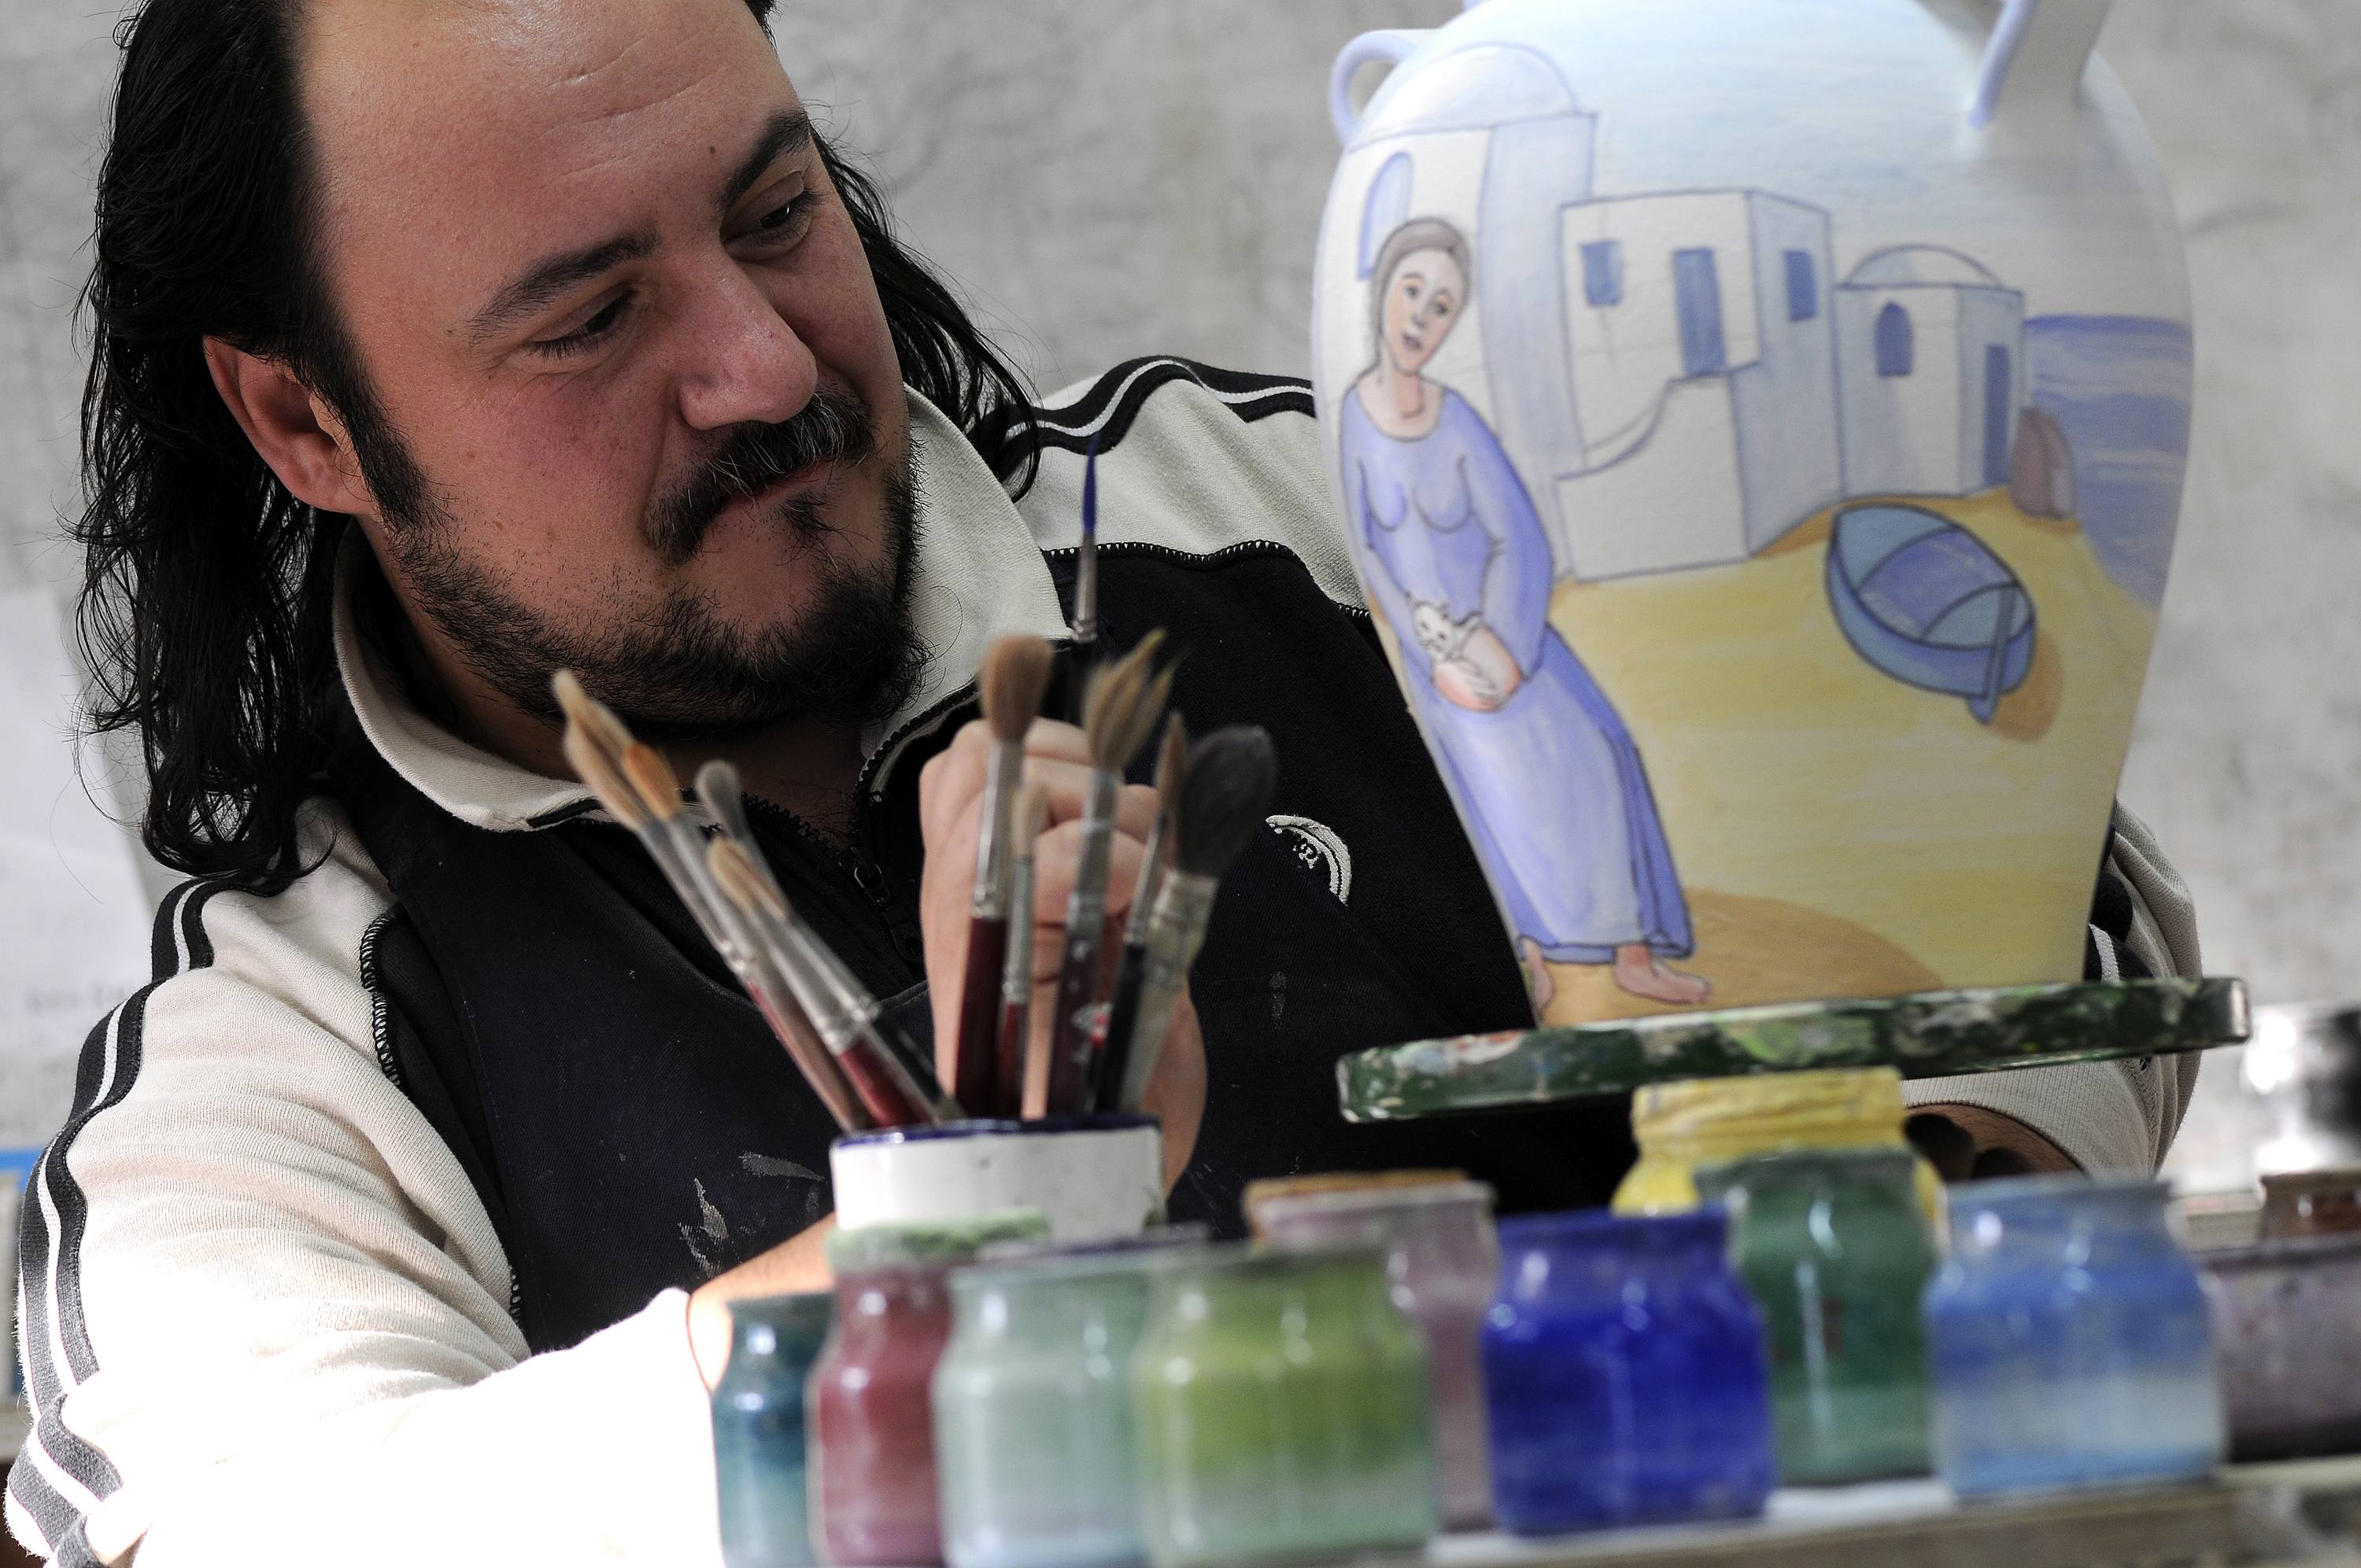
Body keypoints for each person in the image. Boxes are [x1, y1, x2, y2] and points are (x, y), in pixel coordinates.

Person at [9, 0, 2199, 1561]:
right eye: (587, 319)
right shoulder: (286, 1040)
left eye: (775, 214)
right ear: (304, 423)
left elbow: (2039, 884)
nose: (759, 361)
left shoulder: (1323, 519)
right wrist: (974, 1232)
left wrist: (1879, 1170)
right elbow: (267, 1526)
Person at [1340, 218, 1706, 1011]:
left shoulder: (1456, 418)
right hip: (1431, 659)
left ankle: (1634, 951)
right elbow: (1368, 548)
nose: (1421, 316)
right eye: (1412, 290)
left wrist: (1499, 648)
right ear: (1382, 293)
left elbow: (1519, 536)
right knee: (1476, 786)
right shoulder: (1353, 419)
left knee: (1598, 748)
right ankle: (1528, 955)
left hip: (1515, 644)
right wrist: (1432, 654)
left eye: (1442, 306)